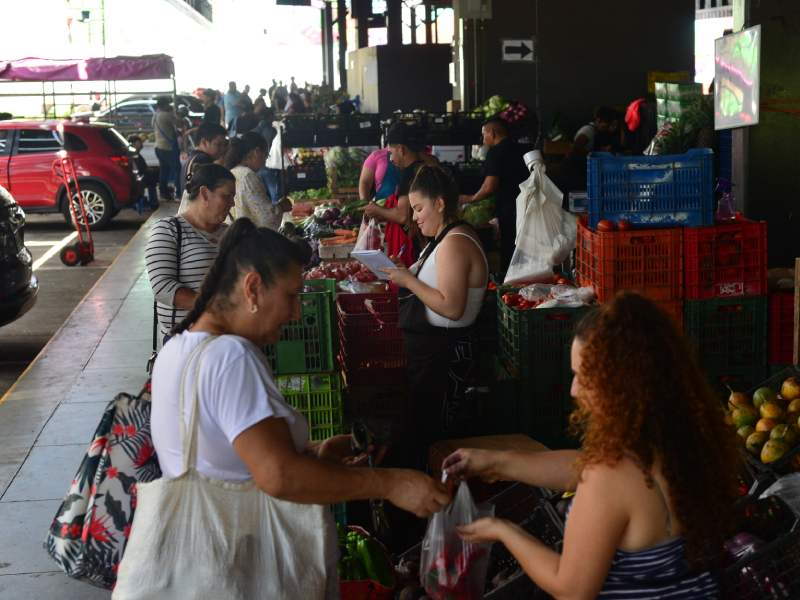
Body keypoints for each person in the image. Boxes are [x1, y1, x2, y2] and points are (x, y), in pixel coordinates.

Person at [117, 218, 450, 597]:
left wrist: (314, 457)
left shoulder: (178, 348)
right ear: (253, 287)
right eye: (291, 296)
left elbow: (223, 460)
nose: (295, 313)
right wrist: (392, 483)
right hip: (239, 569)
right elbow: (278, 476)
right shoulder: (231, 357)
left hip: (200, 558)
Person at [445, 293, 739, 599]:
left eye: (584, 377)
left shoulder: (611, 475)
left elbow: (572, 590)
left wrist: (503, 530)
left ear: (623, 385)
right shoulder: (681, 439)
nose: (574, 390)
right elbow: (585, 467)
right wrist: (496, 462)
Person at [382, 165, 488, 467]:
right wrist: (403, 272)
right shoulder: (443, 239)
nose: (414, 217)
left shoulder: (455, 243)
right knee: (424, 434)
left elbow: (452, 307)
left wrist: (409, 281)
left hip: (445, 357)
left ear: (439, 203)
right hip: (432, 354)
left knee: (436, 441)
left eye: (418, 208)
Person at [146, 164, 236, 343]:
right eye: (227, 196)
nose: (232, 203)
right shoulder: (168, 230)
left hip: (227, 334)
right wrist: (212, 307)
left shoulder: (230, 233)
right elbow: (163, 287)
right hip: (184, 339)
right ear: (204, 193)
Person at [460, 117, 528, 274]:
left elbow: (489, 186)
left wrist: (471, 198)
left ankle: (509, 283)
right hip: (528, 206)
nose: (483, 139)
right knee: (526, 248)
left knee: (510, 248)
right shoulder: (523, 149)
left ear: (492, 132)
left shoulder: (495, 153)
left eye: (484, 134)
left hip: (509, 208)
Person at [364, 122, 436, 266]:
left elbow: (402, 216)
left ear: (401, 149)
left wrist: (375, 209)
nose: (391, 159)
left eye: (391, 153)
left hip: (418, 245)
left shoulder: (410, 173)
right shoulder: (425, 167)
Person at [225, 132, 284, 230]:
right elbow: (267, 220)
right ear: (257, 152)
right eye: (266, 155)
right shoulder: (247, 175)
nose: (265, 161)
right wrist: (281, 207)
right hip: (248, 238)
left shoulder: (233, 172)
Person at [177, 123, 229, 214]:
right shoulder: (203, 160)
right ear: (204, 142)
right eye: (218, 144)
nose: (223, 149)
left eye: (224, 145)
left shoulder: (193, 157)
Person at [152, 96, 183, 201]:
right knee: (177, 169)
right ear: (164, 105)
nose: (170, 105)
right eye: (168, 104)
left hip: (158, 147)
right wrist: (174, 113)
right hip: (168, 148)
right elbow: (179, 123)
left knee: (164, 170)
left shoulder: (155, 115)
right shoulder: (166, 115)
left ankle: (163, 193)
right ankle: (178, 193)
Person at [128, 134, 158, 212]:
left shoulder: (136, 154)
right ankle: (153, 203)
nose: (141, 145)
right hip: (137, 178)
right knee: (151, 180)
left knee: (153, 176)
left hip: (140, 176)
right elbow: (137, 169)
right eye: (139, 143)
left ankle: (153, 202)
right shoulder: (133, 155)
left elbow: (144, 167)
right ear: (133, 144)